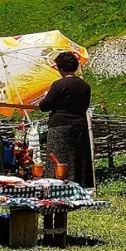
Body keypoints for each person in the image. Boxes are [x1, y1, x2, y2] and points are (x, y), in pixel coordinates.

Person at [39, 51, 93, 188]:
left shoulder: (59, 85)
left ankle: (57, 187)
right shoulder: (85, 86)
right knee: (77, 158)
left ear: (60, 68)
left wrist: (45, 97)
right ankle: (80, 185)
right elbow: (85, 106)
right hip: (79, 125)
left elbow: (45, 106)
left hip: (60, 125)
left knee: (57, 157)